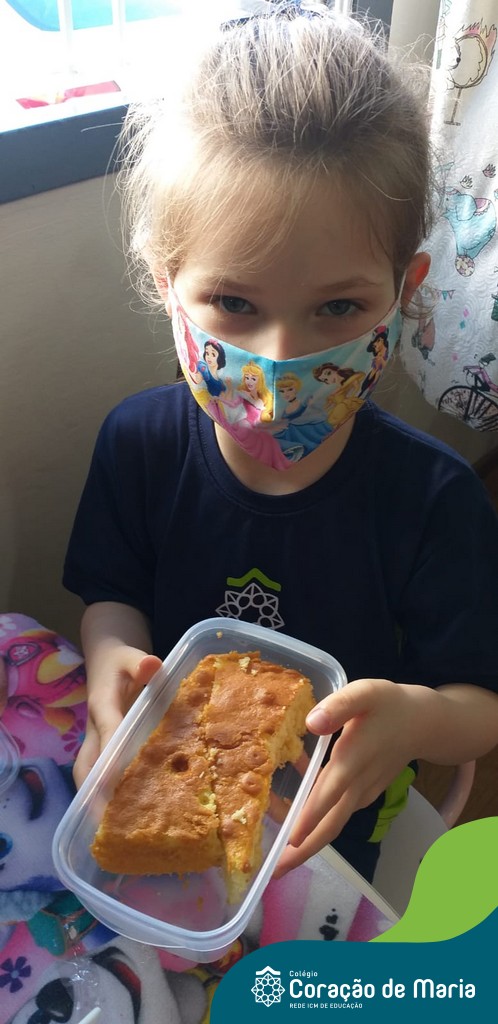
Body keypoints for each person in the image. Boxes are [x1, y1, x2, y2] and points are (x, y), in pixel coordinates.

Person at [63, 1, 498, 883]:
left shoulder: (435, 499)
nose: (281, 362)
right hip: (173, 798)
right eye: (235, 303)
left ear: (405, 293)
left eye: (338, 307)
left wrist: (416, 720)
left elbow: (478, 707)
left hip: (328, 838)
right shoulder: (137, 445)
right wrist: (112, 663)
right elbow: (112, 595)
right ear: (168, 285)